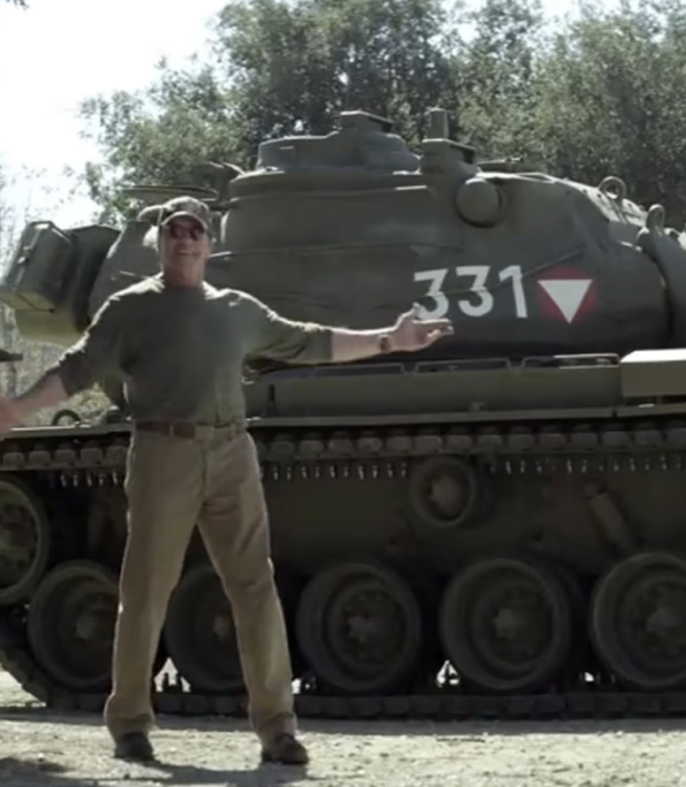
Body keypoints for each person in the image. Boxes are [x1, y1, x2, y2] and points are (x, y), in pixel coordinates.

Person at [0, 195, 454, 765]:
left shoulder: (236, 309)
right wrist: (18, 409)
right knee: (145, 590)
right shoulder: (129, 308)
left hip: (231, 451)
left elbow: (309, 341)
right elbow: (77, 368)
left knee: (254, 587)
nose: (184, 240)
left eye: (194, 231)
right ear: (160, 242)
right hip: (164, 451)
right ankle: (131, 722)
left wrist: (391, 338)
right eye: (174, 232)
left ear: (209, 243)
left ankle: (277, 727)